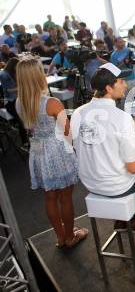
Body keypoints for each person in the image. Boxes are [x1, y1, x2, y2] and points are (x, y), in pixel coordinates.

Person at [71, 63, 135, 231]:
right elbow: (133, 167)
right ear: (108, 88)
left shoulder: (78, 113)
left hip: (90, 183)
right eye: (121, 81)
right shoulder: (121, 118)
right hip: (117, 185)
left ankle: (125, 218)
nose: (125, 84)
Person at [15, 56, 88, 248]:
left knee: (49, 197)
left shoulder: (19, 103)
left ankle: (61, 237)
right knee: (65, 197)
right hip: (57, 152)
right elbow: (68, 132)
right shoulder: (52, 102)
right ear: (38, 75)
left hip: (37, 153)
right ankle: (71, 236)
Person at [0, 58, 28, 145]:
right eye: (17, 66)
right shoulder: (4, 75)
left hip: (18, 99)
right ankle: (25, 142)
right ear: (13, 66)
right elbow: (9, 90)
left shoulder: (14, 72)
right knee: (22, 118)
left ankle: (31, 137)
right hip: (10, 101)